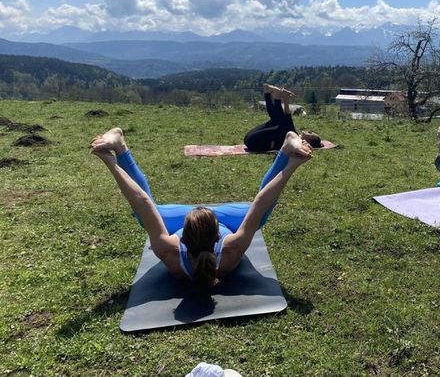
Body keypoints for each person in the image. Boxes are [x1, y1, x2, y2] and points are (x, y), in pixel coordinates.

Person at [89, 127, 313, 287]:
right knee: (259, 217)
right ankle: (286, 146)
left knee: (145, 215)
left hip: (185, 221)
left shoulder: (171, 249)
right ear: (218, 234)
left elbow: (143, 201)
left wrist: (111, 163)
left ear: (183, 237)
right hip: (227, 218)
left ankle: (120, 145)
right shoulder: (229, 248)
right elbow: (261, 202)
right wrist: (289, 163)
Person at [244, 84, 322, 152]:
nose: (309, 131)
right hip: (250, 138)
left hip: (254, 143)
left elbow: (287, 121)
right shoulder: (294, 134)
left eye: (310, 133)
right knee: (278, 121)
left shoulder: (297, 142)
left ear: (309, 141)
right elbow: (287, 119)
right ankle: (271, 95)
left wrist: (286, 100)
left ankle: (275, 96)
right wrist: (285, 101)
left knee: (283, 124)